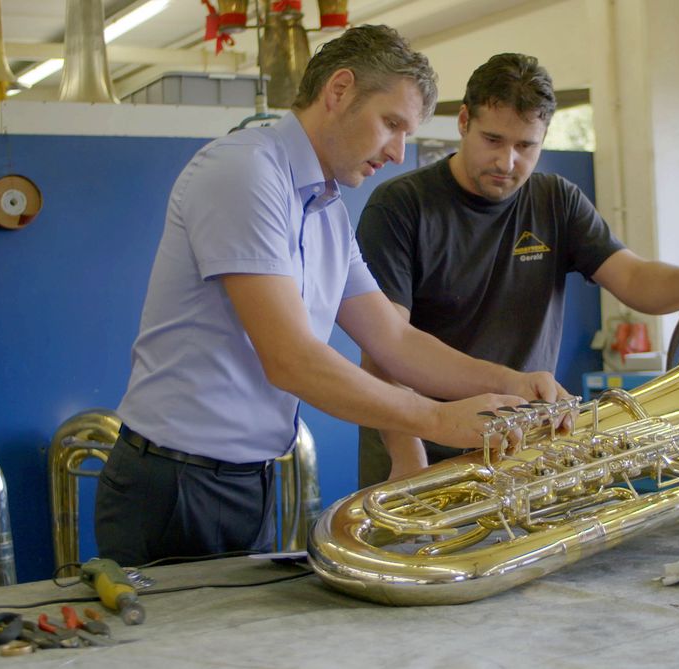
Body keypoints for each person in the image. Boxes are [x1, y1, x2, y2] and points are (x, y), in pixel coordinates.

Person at [94, 28, 570, 568]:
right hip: (174, 484)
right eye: (391, 125)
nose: (396, 153)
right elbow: (290, 358)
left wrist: (508, 383)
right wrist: (435, 421)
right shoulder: (245, 172)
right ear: (339, 90)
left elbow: (393, 339)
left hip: (249, 481)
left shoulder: (325, 209)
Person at [356, 53, 679, 487]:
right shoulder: (400, 207)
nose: (507, 163)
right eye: (493, 140)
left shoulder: (556, 200)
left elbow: (631, 277)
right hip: (418, 450)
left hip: (520, 452)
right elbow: (383, 349)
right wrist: (408, 455)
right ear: (463, 121)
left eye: (525, 146)